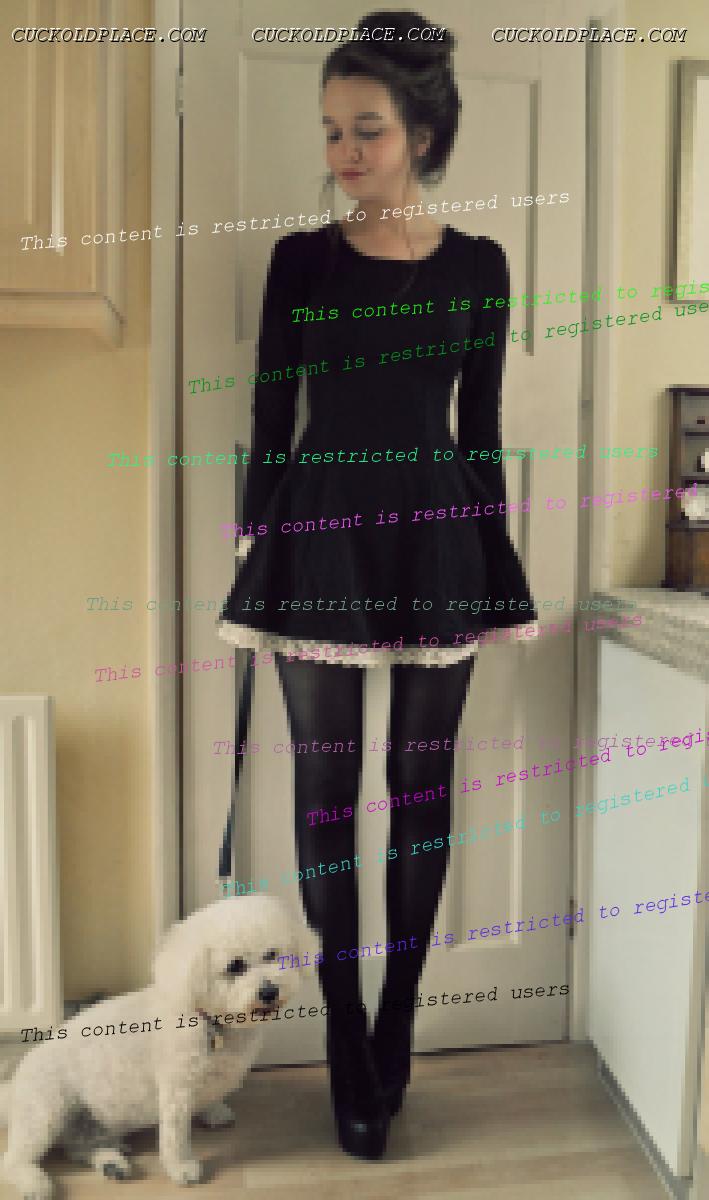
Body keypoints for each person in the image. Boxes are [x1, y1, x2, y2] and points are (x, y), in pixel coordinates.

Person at [218, 8, 535, 1160]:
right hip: (319, 540)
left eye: (367, 128)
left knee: (419, 790)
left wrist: (491, 555)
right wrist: (255, 544)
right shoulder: (300, 260)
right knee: (324, 793)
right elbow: (272, 414)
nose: (344, 150)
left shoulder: (480, 266)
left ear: (421, 134)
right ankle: (346, 1033)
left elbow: (479, 425)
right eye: (331, 130)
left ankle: (398, 1015)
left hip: (438, 540)